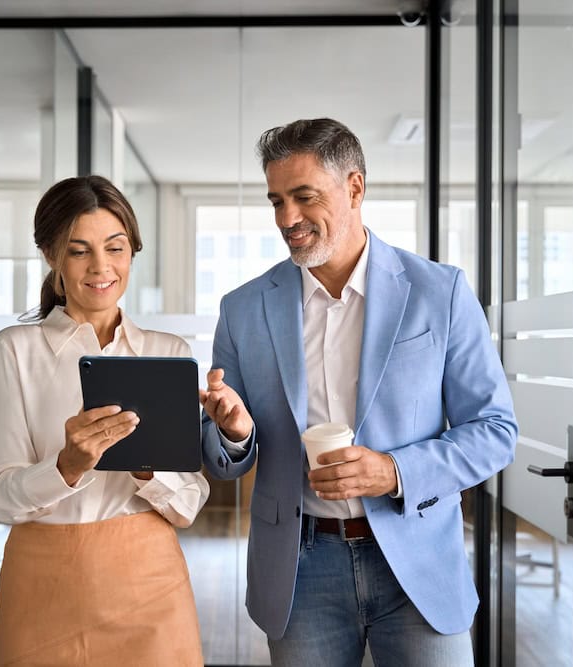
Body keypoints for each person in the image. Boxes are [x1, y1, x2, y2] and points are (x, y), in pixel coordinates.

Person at [199, 118, 517, 666]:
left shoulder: (440, 292)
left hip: (416, 561)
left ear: (355, 188)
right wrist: (232, 434)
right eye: (276, 201)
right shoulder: (243, 308)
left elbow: (495, 432)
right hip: (300, 570)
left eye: (304, 197)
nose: (287, 219)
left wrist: (394, 471)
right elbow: (222, 457)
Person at [0, 175, 209, 667]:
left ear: (132, 252)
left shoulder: (168, 353)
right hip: (42, 585)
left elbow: (189, 503)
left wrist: (147, 469)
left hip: (150, 584)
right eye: (78, 250)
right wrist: (65, 466)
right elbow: (0, 498)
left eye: (115, 247)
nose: (101, 267)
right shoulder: (14, 350)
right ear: (51, 256)